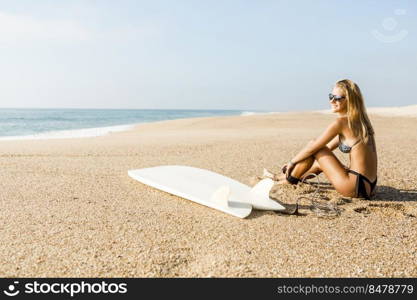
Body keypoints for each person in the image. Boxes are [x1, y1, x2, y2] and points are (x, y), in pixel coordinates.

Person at [266, 79, 378, 199]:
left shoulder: (341, 122)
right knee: (319, 160)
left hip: (354, 186)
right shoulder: (361, 123)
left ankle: (288, 180)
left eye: (337, 98)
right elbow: (327, 149)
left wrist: (292, 162)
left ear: (349, 100)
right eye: (331, 96)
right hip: (368, 186)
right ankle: (283, 177)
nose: (332, 101)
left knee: (315, 145)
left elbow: (313, 148)